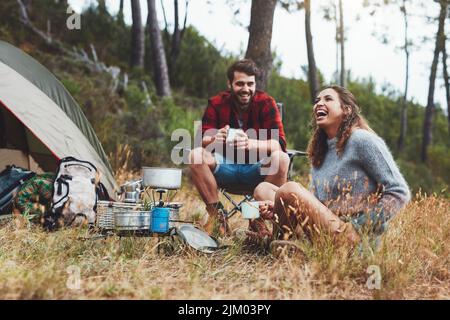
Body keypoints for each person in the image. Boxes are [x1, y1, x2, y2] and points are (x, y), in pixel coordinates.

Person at [253, 85, 411, 247]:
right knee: (263, 189)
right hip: (323, 229)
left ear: (347, 110)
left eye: (328, 99)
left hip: (351, 236)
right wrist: (279, 206)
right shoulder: (320, 149)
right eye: (317, 100)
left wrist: (360, 226)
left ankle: (271, 244)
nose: (319, 104)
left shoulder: (362, 140)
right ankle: (282, 243)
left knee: (289, 189)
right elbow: (316, 203)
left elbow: (399, 192)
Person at [189, 59, 290, 236]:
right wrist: (215, 137)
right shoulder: (217, 103)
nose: (245, 89)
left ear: (255, 84)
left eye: (250, 84)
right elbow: (200, 140)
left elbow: (279, 144)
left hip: (256, 170)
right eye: (240, 84)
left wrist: (253, 143)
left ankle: (256, 219)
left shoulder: (266, 103)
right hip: (224, 167)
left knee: (281, 159)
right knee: (195, 155)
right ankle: (218, 218)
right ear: (230, 84)